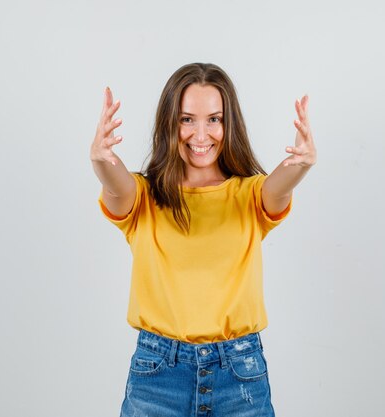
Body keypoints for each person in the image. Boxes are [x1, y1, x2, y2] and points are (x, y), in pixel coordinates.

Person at [90, 63, 316, 417]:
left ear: (230, 124)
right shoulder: (144, 197)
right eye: (186, 119)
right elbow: (116, 185)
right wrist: (102, 160)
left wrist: (300, 164)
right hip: (157, 376)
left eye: (214, 119)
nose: (200, 134)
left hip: (240, 376)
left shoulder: (250, 196)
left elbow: (277, 188)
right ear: (170, 123)